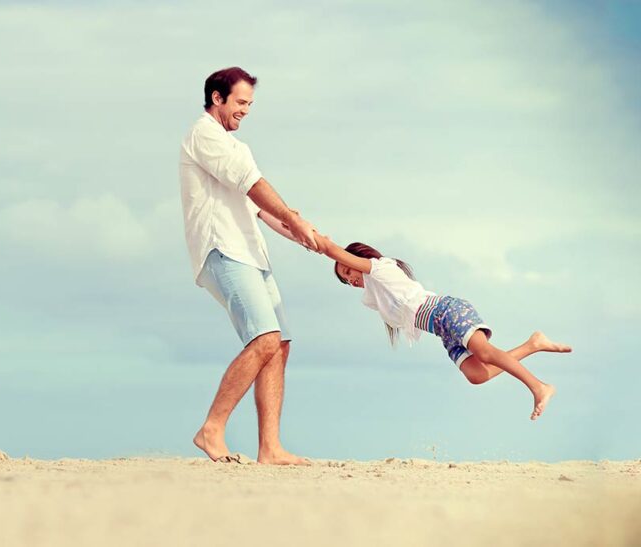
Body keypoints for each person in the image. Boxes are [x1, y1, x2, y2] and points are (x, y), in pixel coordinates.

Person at [179, 66, 321, 465]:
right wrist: (294, 219)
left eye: (250, 104)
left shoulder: (235, 146)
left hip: (251, 253)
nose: (246, 110)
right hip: (222, 249)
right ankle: (211, 429)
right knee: (264, 339)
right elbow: (253, 184)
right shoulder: (204, 135)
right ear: (217, 98)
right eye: (240, 102)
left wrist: (298, 232)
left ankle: (270, 448)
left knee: (280, 344)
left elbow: (257, 207)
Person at [315, 236, 571, 420]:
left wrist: (309, 237)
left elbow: (332, 249)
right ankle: (533, 344)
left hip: (447, 312)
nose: (350, 279)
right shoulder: (376, 294)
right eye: (346, 280)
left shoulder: (380, 268)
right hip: (442, 330)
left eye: (349, 270)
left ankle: (539, 387)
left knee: (484, 353)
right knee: (477, 375)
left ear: (360, 259)